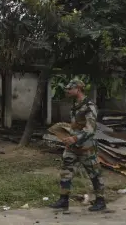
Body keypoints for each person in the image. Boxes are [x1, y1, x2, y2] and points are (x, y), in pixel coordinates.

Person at [50, 79, 106, 212]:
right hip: (72, 147)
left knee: (94, 174)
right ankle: (63, 200)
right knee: (66, 172)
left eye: (70, 89)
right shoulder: (75, 104)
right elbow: (76, 125)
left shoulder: (89, 106)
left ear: (78, 89)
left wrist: (75, 138)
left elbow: (90, 129)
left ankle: (100, 201)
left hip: (86, 147)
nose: (67, 91)